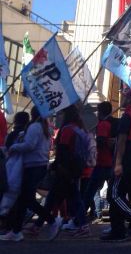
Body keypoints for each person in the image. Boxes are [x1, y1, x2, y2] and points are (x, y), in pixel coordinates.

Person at [32, 106, 88, 240]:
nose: (59, 116)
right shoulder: (79, 128)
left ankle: (81, 225)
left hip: (65, 170)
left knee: (69, 198)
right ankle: (39, 224)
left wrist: (57, 165)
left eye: (61, 113)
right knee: (57, 197)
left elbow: (63, 150)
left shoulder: (67, 129)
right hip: (74, 168)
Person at [103, 88, 131, 242]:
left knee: (113, 195)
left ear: (129, 99)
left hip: (125, 160)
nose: (121, 99)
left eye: (124, 97)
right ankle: (117, 230)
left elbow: (122, 141)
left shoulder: (127, 116)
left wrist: (118, 163)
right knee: (119, 194)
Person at [1, 109, 51, 242]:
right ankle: (16, 231)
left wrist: (15, 147)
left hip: (33, 166)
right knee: (24, 200)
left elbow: (30, 145)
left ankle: (51, 220)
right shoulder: (43, 127)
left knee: (26, 199)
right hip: (37, 165)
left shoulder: (35, 127)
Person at [82, 101, 115, 223]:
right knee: (111, 194)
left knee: (89, 192)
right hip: (109, 163)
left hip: (102, 163)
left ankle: (79, 220)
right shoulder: (110, 123)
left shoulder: (103, 124)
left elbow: (101, 142)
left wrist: (93, 142)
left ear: (100, 112)